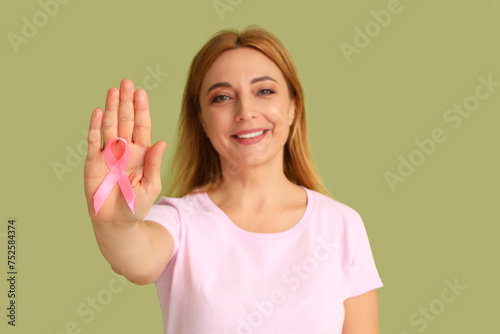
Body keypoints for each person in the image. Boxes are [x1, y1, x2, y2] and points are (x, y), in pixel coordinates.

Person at [84, 25, 383, 334]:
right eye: (222, 97)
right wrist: (114, 223)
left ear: (293, 107)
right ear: (201, 119)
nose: (246, 111)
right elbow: (135, 257)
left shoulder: (342, 226)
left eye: (264, 91)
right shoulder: (180, 223)